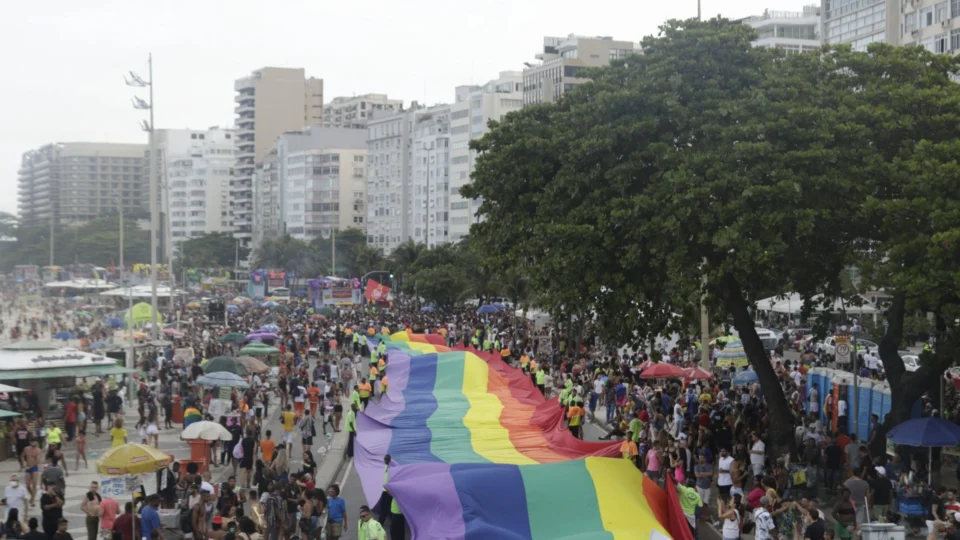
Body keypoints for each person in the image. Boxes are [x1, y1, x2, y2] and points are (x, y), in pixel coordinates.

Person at [23, 440, 40, 507]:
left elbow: (38, 460)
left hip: (34, 468)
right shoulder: (26, 449)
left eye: (35, 442)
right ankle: (32, 496)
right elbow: (22, 456)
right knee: (27, 485)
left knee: (34, 484)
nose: (34, 443)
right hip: (28, 467)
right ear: (30, 442)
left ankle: (32, 499)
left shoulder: (38, 450)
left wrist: (31, 466)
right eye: (33, 442)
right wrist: (23, 463)